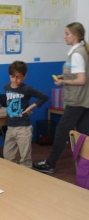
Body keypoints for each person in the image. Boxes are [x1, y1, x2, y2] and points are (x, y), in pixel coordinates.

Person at [33, 22, 89, 173]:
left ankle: (50, 164)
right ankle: (86, 165)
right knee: (84, 133)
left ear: (76, 35)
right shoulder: (82, 50)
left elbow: (81, 80)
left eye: (67, 34)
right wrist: (65, 75)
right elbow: (79, 73)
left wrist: (63, 81)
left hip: (76, 100)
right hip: (84, 100)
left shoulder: (77, 54)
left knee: (62, 131)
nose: (64, 37)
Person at [4, 61, 48, 168]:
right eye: (13, 77)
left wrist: (31, 107)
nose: (15, 80)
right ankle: (14, 177)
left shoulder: (26, 89)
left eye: (19, 77)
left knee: (25, 158)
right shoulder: (6, 87)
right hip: (10, 127)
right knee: (7, 156)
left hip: (24, 128)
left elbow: (44, 97)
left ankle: (26, 179)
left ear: (25, 76)